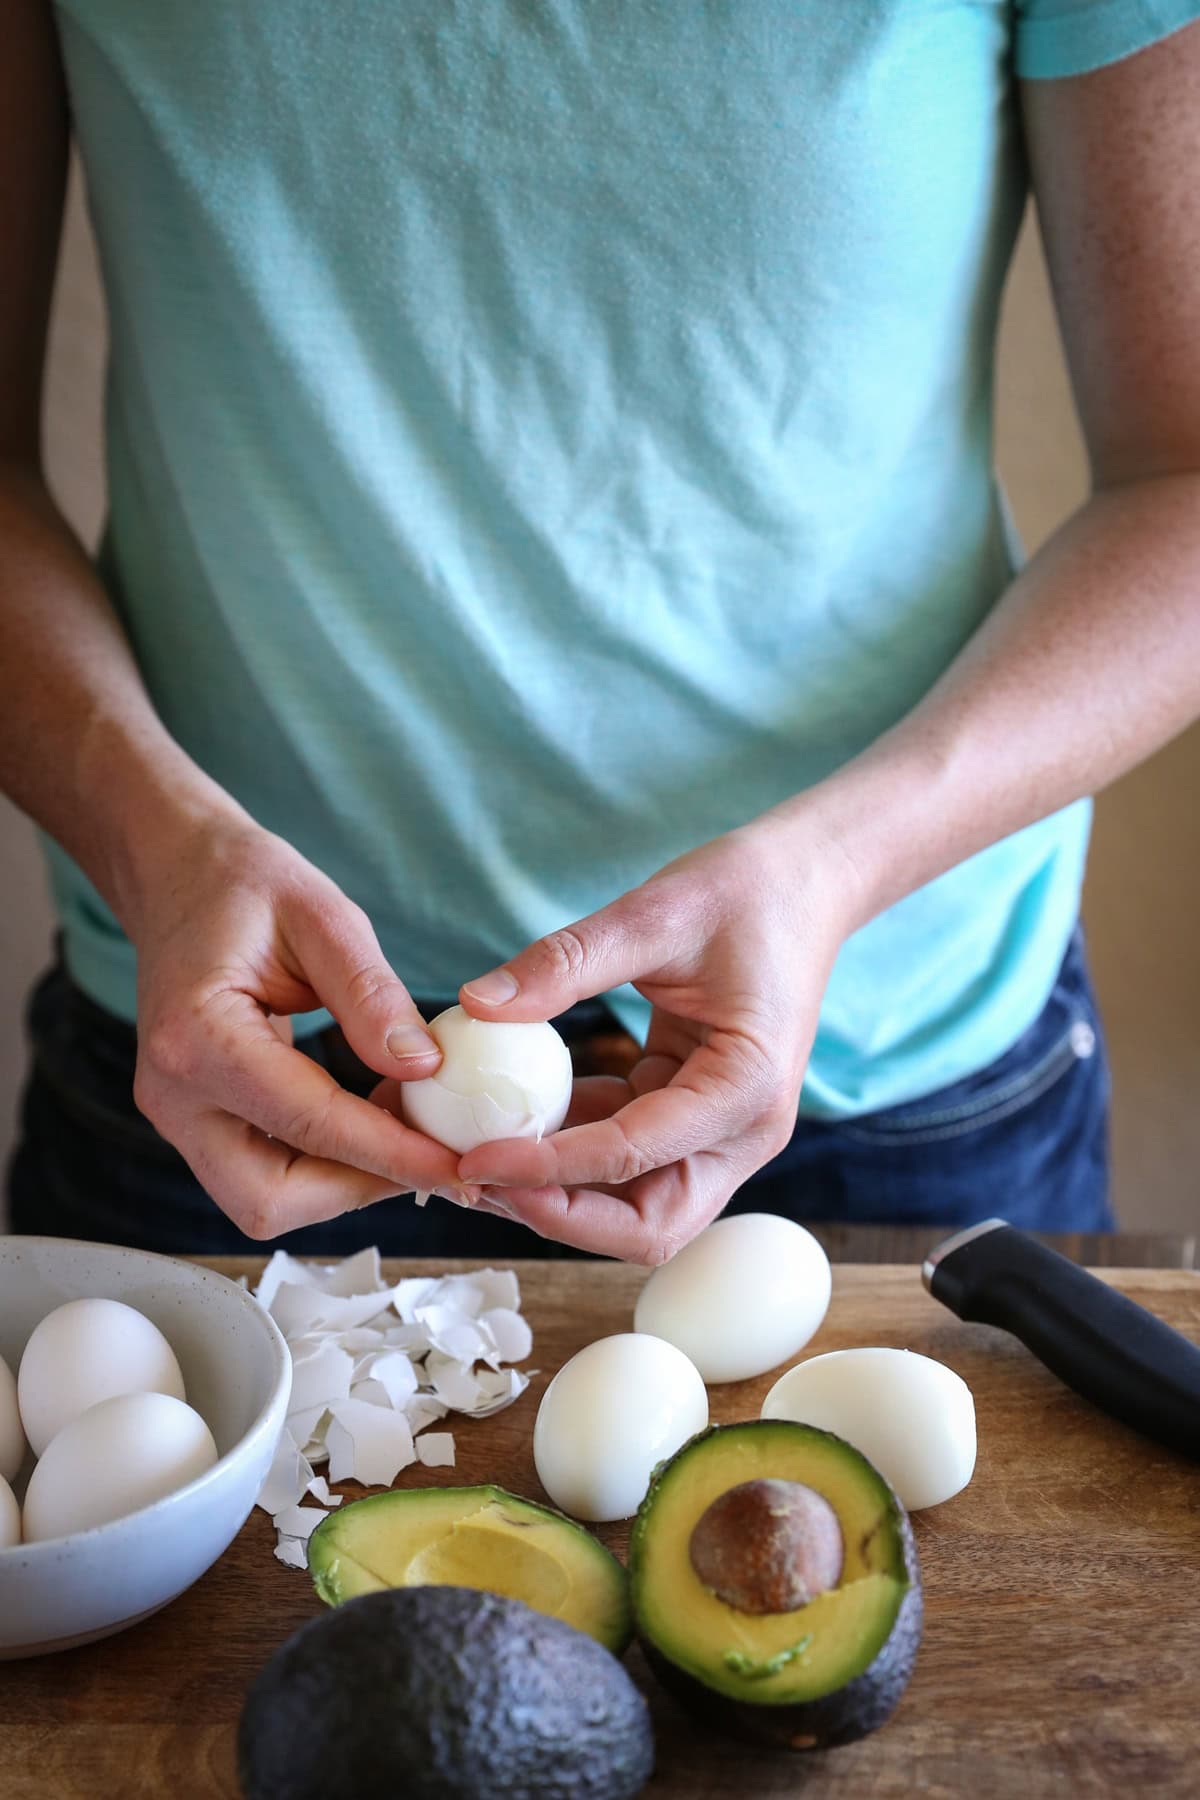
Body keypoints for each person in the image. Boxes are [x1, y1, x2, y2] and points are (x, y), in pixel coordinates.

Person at [4, 1, 1200, 1265]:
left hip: (877, 1073)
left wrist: (832, 870)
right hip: (219, 1057)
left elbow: (1180, 486)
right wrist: (156, 843)